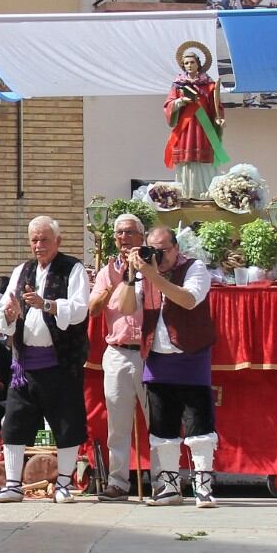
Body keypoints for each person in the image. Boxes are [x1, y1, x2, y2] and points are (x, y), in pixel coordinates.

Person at [0, 217, 91, 504]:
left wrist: (46, 304)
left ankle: (62, 483)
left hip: (61, 363)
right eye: (34, 240)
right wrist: (9, 317)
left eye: (44, 239)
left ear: (58, 241)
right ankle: (12, 484)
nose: (38, 245)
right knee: (14, 423)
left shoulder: (73, 269)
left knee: (66, 424)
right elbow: (4, 309)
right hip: (25, 366)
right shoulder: (22, 269)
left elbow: (79, 309)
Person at [129, 225, 218, 508]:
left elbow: (189, 300)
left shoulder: (196, 268)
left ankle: (203, 488)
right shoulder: (146, 274)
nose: (157, 256)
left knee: (199, 424)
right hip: (157, 358)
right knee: (162, 427)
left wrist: (153, 276)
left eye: (163, 250)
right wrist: (130, 278)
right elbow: (125, 307)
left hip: (191, 355)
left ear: (176, 248)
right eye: (152, 249)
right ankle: (169, 488)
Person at [89, 212, 154, 500]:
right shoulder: (107, 271)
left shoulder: (154, 267)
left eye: (130, 233)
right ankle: (118, 482)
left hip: (150, 353)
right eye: (120, 234)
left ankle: (166, 480)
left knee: (158, 421)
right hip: (117, 351)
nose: (124, 238)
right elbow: (93, 309)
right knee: (118, 424)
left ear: (142, 237)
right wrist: (116, 280)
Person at [163, 44, 224, 199]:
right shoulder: (178, 85)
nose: (189, 65)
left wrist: (219, 119)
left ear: (199, 64)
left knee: (204, 162)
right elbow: (168, 104)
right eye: (186, 63)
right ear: (183, 65)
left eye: (192, 62)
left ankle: (205, 193)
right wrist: (179, 102)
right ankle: (186, 193)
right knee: (186, 161)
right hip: (186, 128)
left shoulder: (209, 85)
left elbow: (216, 106)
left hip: (204, 130)